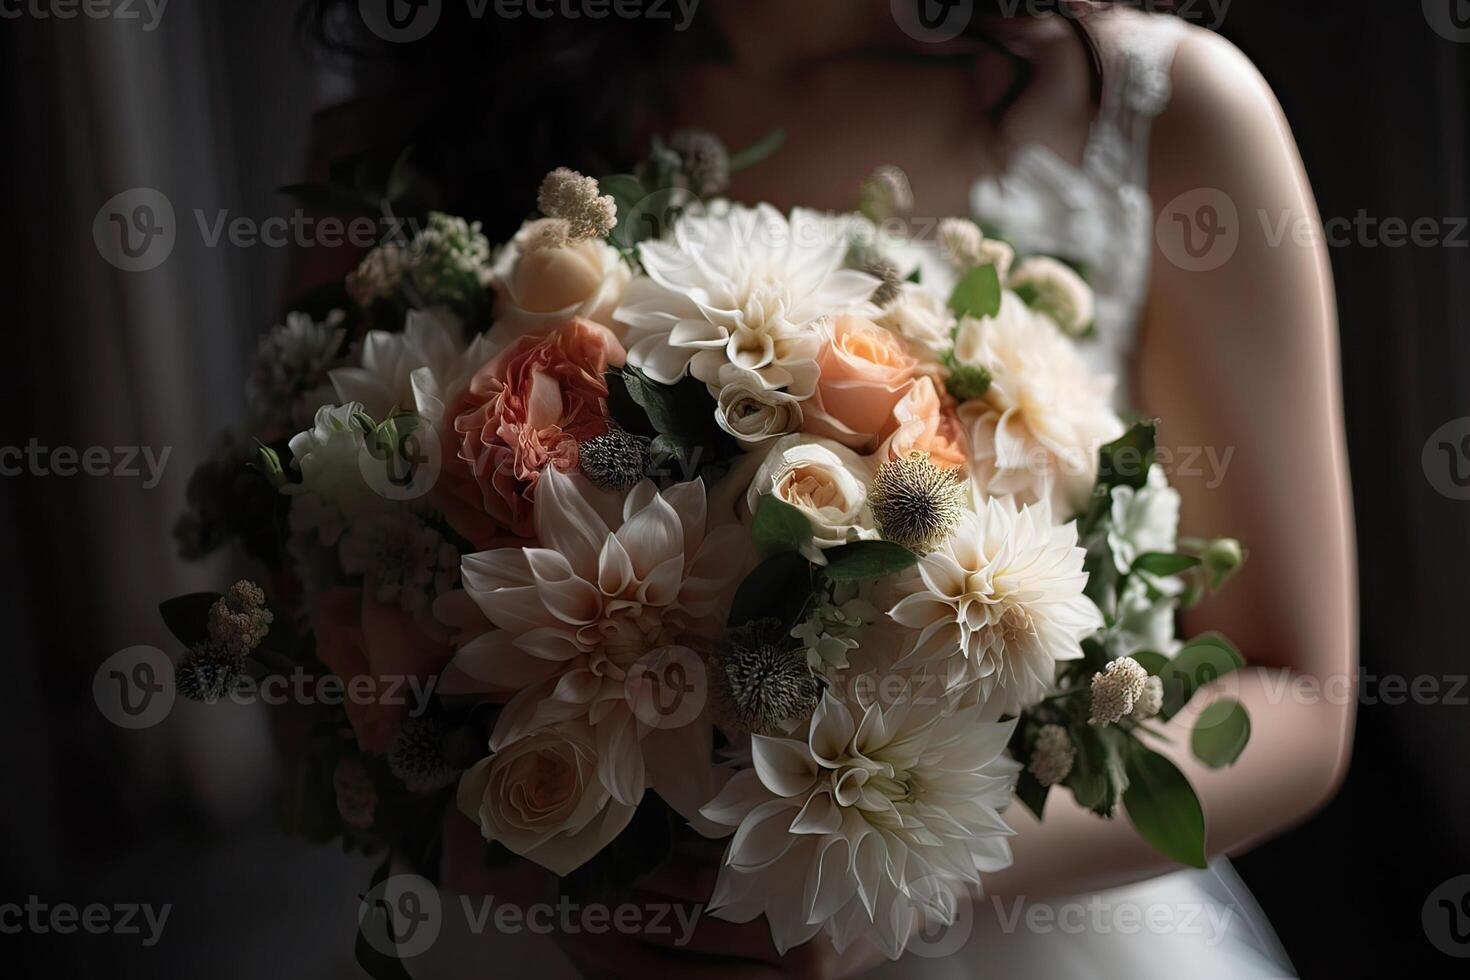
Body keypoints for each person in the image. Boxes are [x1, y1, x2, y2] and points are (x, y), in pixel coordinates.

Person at [303, 2, 1356, 975]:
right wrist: (560, 862)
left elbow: (1298, 695)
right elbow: (309, 691)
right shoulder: (400, 140)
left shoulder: (1164, 110)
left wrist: (869, 879)